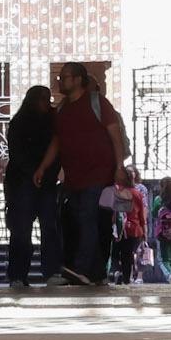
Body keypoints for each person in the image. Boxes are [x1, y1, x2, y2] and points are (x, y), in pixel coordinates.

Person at [50, 62, 128, 285]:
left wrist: (119, 167)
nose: (60, 81)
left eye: (64, 77)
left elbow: (115, 136)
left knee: (87, 218)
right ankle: (97, 273)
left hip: (98, 174)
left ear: (77, 80)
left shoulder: (98, 103)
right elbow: (57, 141)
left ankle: (81, 268)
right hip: (74, 178)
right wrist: (45, 167)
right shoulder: (63, 109)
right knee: (82, 221)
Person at [0, 83, 58, 286]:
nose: (46, 103)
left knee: (50, 228)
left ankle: (51, 272)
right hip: (22, 182)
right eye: (42, 98)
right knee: (21, 230)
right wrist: (34, 172)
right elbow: (17, 153)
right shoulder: (20, 122)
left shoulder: (53, 119)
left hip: (47, 182)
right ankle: (17, 274)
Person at [106, 164, 148, 285]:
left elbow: (115, 213)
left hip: (119, 229)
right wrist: (144, 230)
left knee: (115, 253)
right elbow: (141, 215)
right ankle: (126, 278)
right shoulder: (138, 194)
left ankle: (117, 272)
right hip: (133, 228)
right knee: (127, 254)